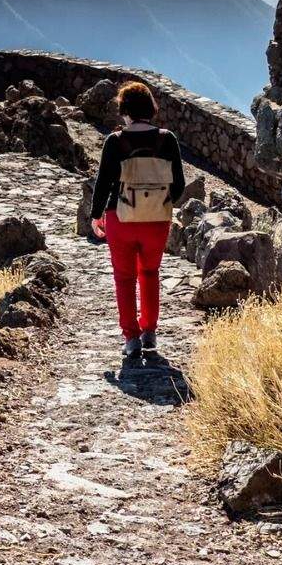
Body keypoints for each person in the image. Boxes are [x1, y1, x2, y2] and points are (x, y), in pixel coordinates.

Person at [88, 81, 186, 362]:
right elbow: (178, 185)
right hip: (157, 220)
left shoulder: (115, 142)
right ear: (150, 108)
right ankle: (150, 332)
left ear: (124, 110)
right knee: (150, 274)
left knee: (124, 278)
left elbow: (103, 183)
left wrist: (96, 216)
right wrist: (160, 202)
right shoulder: (167, 139)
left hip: (120, 218)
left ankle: (131, 339)